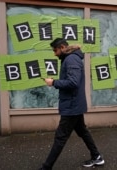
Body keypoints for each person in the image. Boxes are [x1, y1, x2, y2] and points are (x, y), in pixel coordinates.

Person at [39, 38, 105, 170]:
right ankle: (97, 157)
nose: (54, 53)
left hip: (72, 106)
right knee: (82, 131)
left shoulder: (71, 59)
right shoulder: (70, 58)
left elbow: (73, 82)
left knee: (60, 137)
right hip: (74, 104)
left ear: (62, 47)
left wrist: (53, 82)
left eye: (55, 50)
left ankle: (46, 167)